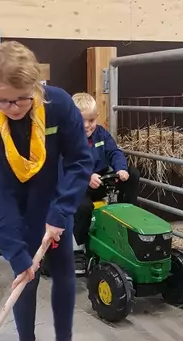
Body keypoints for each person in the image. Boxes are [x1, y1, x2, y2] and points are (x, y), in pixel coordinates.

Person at [0, 41, 104, 341]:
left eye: (20, 98)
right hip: (16, 211)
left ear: (35, 87)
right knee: (25, 277)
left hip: (53, 205)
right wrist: (17, 253)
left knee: (63, 272)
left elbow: (80, 161)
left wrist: (61, 211)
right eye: (3, 100)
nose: (13, 107)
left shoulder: (59, 105)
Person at [71, 92, 140, 270]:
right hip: (77, 186)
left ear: (97, 118)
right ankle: (77, 249)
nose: (87, 126)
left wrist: (121, 169)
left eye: (91, 121)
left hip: (101, 181)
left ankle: (127, 219)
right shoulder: (67, 139)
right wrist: (86, 176)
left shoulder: (101, 134)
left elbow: (114, 152)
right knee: (83, 206)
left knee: (133, 174)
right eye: (81, 121)